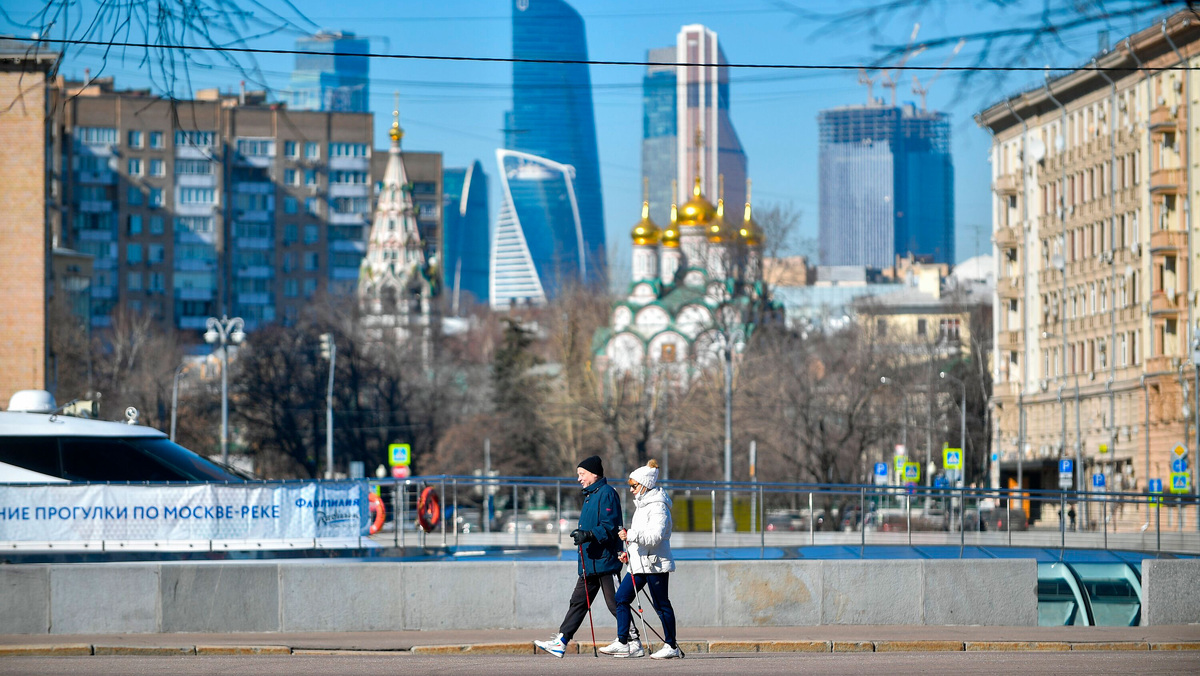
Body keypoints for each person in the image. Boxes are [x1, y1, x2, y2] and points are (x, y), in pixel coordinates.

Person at [534, 455, 631, 658]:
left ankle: (632, 639)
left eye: (582, 474)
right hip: (591, 561)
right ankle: (561, 641)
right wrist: (584, 535)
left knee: (615, 603)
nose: (579, 478)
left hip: (605, 560)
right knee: (578, 602)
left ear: (594, 474)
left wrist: (587, 535)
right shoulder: (591, 495)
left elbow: (610, 526)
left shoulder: (606, 494)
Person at [600, 459, 682, 660]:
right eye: (630, 486)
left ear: (645, 485)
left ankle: (671, 645)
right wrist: (629, 552)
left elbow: (655, 537)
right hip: (639, 564)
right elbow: (641, 538)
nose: (631, 490)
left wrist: (631, 535)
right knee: (621, 598)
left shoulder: (658, 507)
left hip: (655, 564)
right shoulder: (642, 505)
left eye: (634, 486)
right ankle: (624, 642)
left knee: (661, 604)